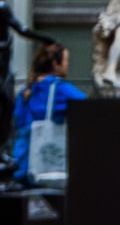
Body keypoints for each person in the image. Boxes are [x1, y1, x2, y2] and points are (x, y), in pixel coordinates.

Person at [12, 41, 83, 180]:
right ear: (56, 64)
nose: (67, 65)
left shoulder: (25, 92)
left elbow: (19, 123)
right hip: (50, 170)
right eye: (66, 60)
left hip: (23, 166)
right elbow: (87, 105)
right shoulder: (61, 89)